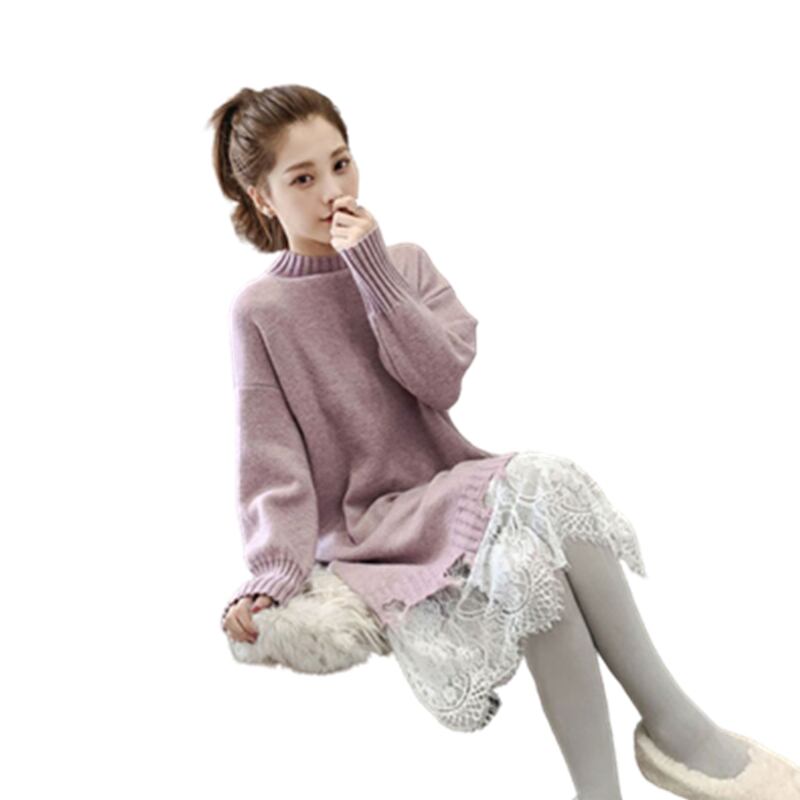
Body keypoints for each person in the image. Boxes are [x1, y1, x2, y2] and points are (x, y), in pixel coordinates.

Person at [208, 84, 800, 800]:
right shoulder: (261, 311)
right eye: (303, 179)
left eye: (341, 163)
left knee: (531, 567)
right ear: (263, 197)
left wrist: (374, 272)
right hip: (371, 526)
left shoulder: (404, 264)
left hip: (447, 485)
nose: (334, 191)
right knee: (544, 477)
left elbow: (439, 382)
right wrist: (272, 576)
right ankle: (679, 729)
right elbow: (272, 461)